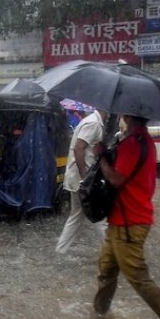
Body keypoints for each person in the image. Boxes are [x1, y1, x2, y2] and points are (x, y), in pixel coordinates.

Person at [92, 114, 160, 319]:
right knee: (106, 271)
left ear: (126, 116)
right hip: (123, 220)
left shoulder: (132, 144)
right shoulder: (143, 140)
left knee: (138, 277)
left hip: (129, 222)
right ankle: (99, 316)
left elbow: (116, 179)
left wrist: (101, 158)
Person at [55, 108, 108, 254]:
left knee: (76, 215)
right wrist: (85, 178)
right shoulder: (93, 124)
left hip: (78, 178)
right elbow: (79, 148)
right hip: (84, 180)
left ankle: (61, 250)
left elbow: (87, 148)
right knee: (99, 216)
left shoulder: (93, 122)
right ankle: (113, 255)